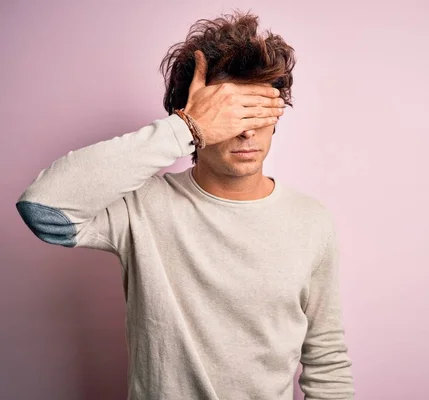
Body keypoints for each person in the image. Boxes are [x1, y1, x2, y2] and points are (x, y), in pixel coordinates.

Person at [15, 10, 355, 400]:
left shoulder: (311, 221)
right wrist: (186, 128)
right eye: (229, 114)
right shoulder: (141, 206)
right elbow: (43, 208)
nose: (246, 130)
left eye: (257, 112)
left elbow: (327, 360)